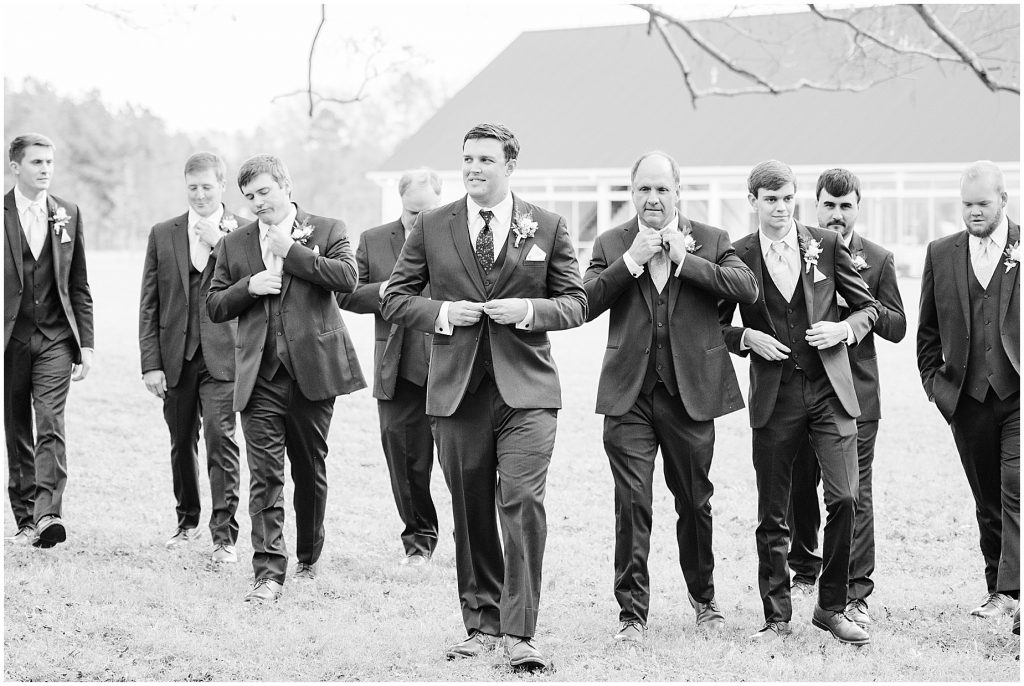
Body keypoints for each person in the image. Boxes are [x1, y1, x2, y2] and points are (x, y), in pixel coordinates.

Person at [382, 123, 586, 670]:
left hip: (528, 391)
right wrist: (443, 314)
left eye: (486, 160)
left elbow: (575, 303)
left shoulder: (546, 225)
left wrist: (528, 312)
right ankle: (481, 625)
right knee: (470, 509)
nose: (474, 168)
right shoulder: (431, 225)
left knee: (522, 505)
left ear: (510, 165)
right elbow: (397, 298)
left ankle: (521, 635)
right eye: (467, 158)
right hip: (456, 392)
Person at [583, 151, 758, 644]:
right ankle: (632, 614)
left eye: (662, 189)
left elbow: (744, 288)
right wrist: (630, 262)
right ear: (631, 192)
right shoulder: (611, 242)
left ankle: (704, 600)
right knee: (632, 503)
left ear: (678, 191)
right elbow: (586, 302)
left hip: (690, 394)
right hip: (629, 394)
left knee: (695, 501)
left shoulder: (714, 239)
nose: (653, 198)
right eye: (644, 189)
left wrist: (686, 258)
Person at [720, 160, 878, 645]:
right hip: (775, 394)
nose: (781, 208)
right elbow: (714, 324)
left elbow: (870, 307)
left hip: (829, 389)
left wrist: (844, 328)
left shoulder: (824, 245)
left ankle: (830, 607)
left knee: (846, 497)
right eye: (771, 199)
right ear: (753, 202)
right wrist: (746, 337)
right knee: (773, 511)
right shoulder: (738, 254)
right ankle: (776, 617)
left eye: (788, 198)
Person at [207, 154, 366, 601]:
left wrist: (291, 253)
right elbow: (215, 305)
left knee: (310, 467)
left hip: (312, 370)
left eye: (264, 192)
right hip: (259, 375)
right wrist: (248, 287)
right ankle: (268, 572)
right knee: (265, 474)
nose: (258, 202)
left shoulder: (328, 229)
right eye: (250, 196)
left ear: (286, 186)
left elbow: (347, 279)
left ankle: (309, 554)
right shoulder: (234, 244)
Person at [786, 169, 906, 628]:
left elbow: (895, 325)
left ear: (859, 207)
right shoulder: (795, 249)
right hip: (800, 390)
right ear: (815, 206)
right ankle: (804, 566)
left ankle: (855, 591)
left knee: (855, 492)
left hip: (855, 394)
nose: (836, 215)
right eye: (829, 206)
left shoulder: (877, 258)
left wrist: (858, 315)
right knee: (801, 483)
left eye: (846, 206)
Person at [917, 160, 1019, 635]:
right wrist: (938, 390)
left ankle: (1009, 595)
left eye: (982, 203)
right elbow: (926, 335)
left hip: (1016, 393)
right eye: (967, 204)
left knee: (1015, 491)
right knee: (987, 501)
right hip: (966, 399)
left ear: (1003, 200)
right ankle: (995, 589)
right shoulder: (941, 253)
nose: (974, 212)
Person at [138, 152, 242, 562]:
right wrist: (151, 363)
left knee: (221, 441)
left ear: (222, 186)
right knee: (181, 442)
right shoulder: (163, 233)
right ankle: (186, 522)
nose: (200, 194)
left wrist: (224, 245)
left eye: (207, 187)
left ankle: (224, 536)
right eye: (193, 187)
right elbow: (149, 302)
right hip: (175, 357)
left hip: (224, 357)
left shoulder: (244, 232)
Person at [338, 168, 441, 566]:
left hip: (451, 365)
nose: (419, 221)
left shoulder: (455, 236)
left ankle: (471, 538)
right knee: (405, 460)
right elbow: (347, 295)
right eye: (412, 213)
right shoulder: (374, 240)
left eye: (427, 212)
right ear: (401, 203)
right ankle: (418, 542)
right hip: (397, 368)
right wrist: (383, 291)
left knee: (465, 461)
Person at [4, 133, 94, 548]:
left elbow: (79, 284)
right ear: (15, 166)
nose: (45, 169)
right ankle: (24, 516)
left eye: (49, 163)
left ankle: (47, 515)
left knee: (51, 422)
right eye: (37, 162)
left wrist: (86, 344)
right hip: (10, 337)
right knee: (17, 424)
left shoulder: (69, 213)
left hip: (56, 337)